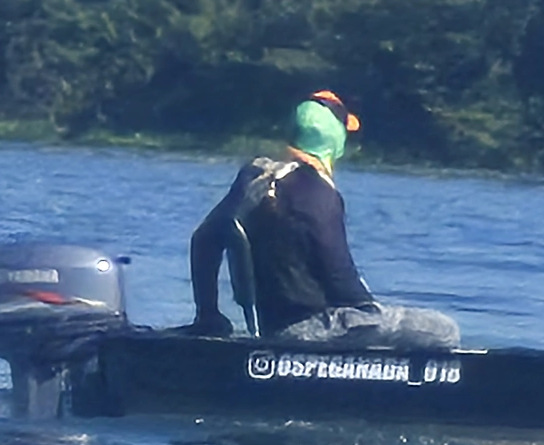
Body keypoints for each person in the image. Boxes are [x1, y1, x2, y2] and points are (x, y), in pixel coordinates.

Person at [186, 90, 461, 351]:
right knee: (444, 330)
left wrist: (208, 316)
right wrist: (369, 312)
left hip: (270, 327)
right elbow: (340, 279)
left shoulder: (253, 177)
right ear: (335, 141)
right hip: (314, 330)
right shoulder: (320, 194)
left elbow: (203, 239)